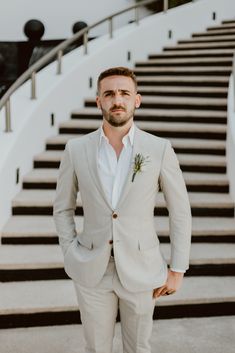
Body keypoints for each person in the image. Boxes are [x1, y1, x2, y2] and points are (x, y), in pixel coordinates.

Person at [53, 66, 192, 353]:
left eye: (124, 93)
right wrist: (70, 250)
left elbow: (179, 211)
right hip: (92, 268)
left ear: (136, 100)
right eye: (110, 94)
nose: (117, 100)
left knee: (139, 348)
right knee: (96, 348)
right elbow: (63, 209)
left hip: (143, 269)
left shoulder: (158, 149)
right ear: (99, 101)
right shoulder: (76, 149)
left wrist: (177, 268)